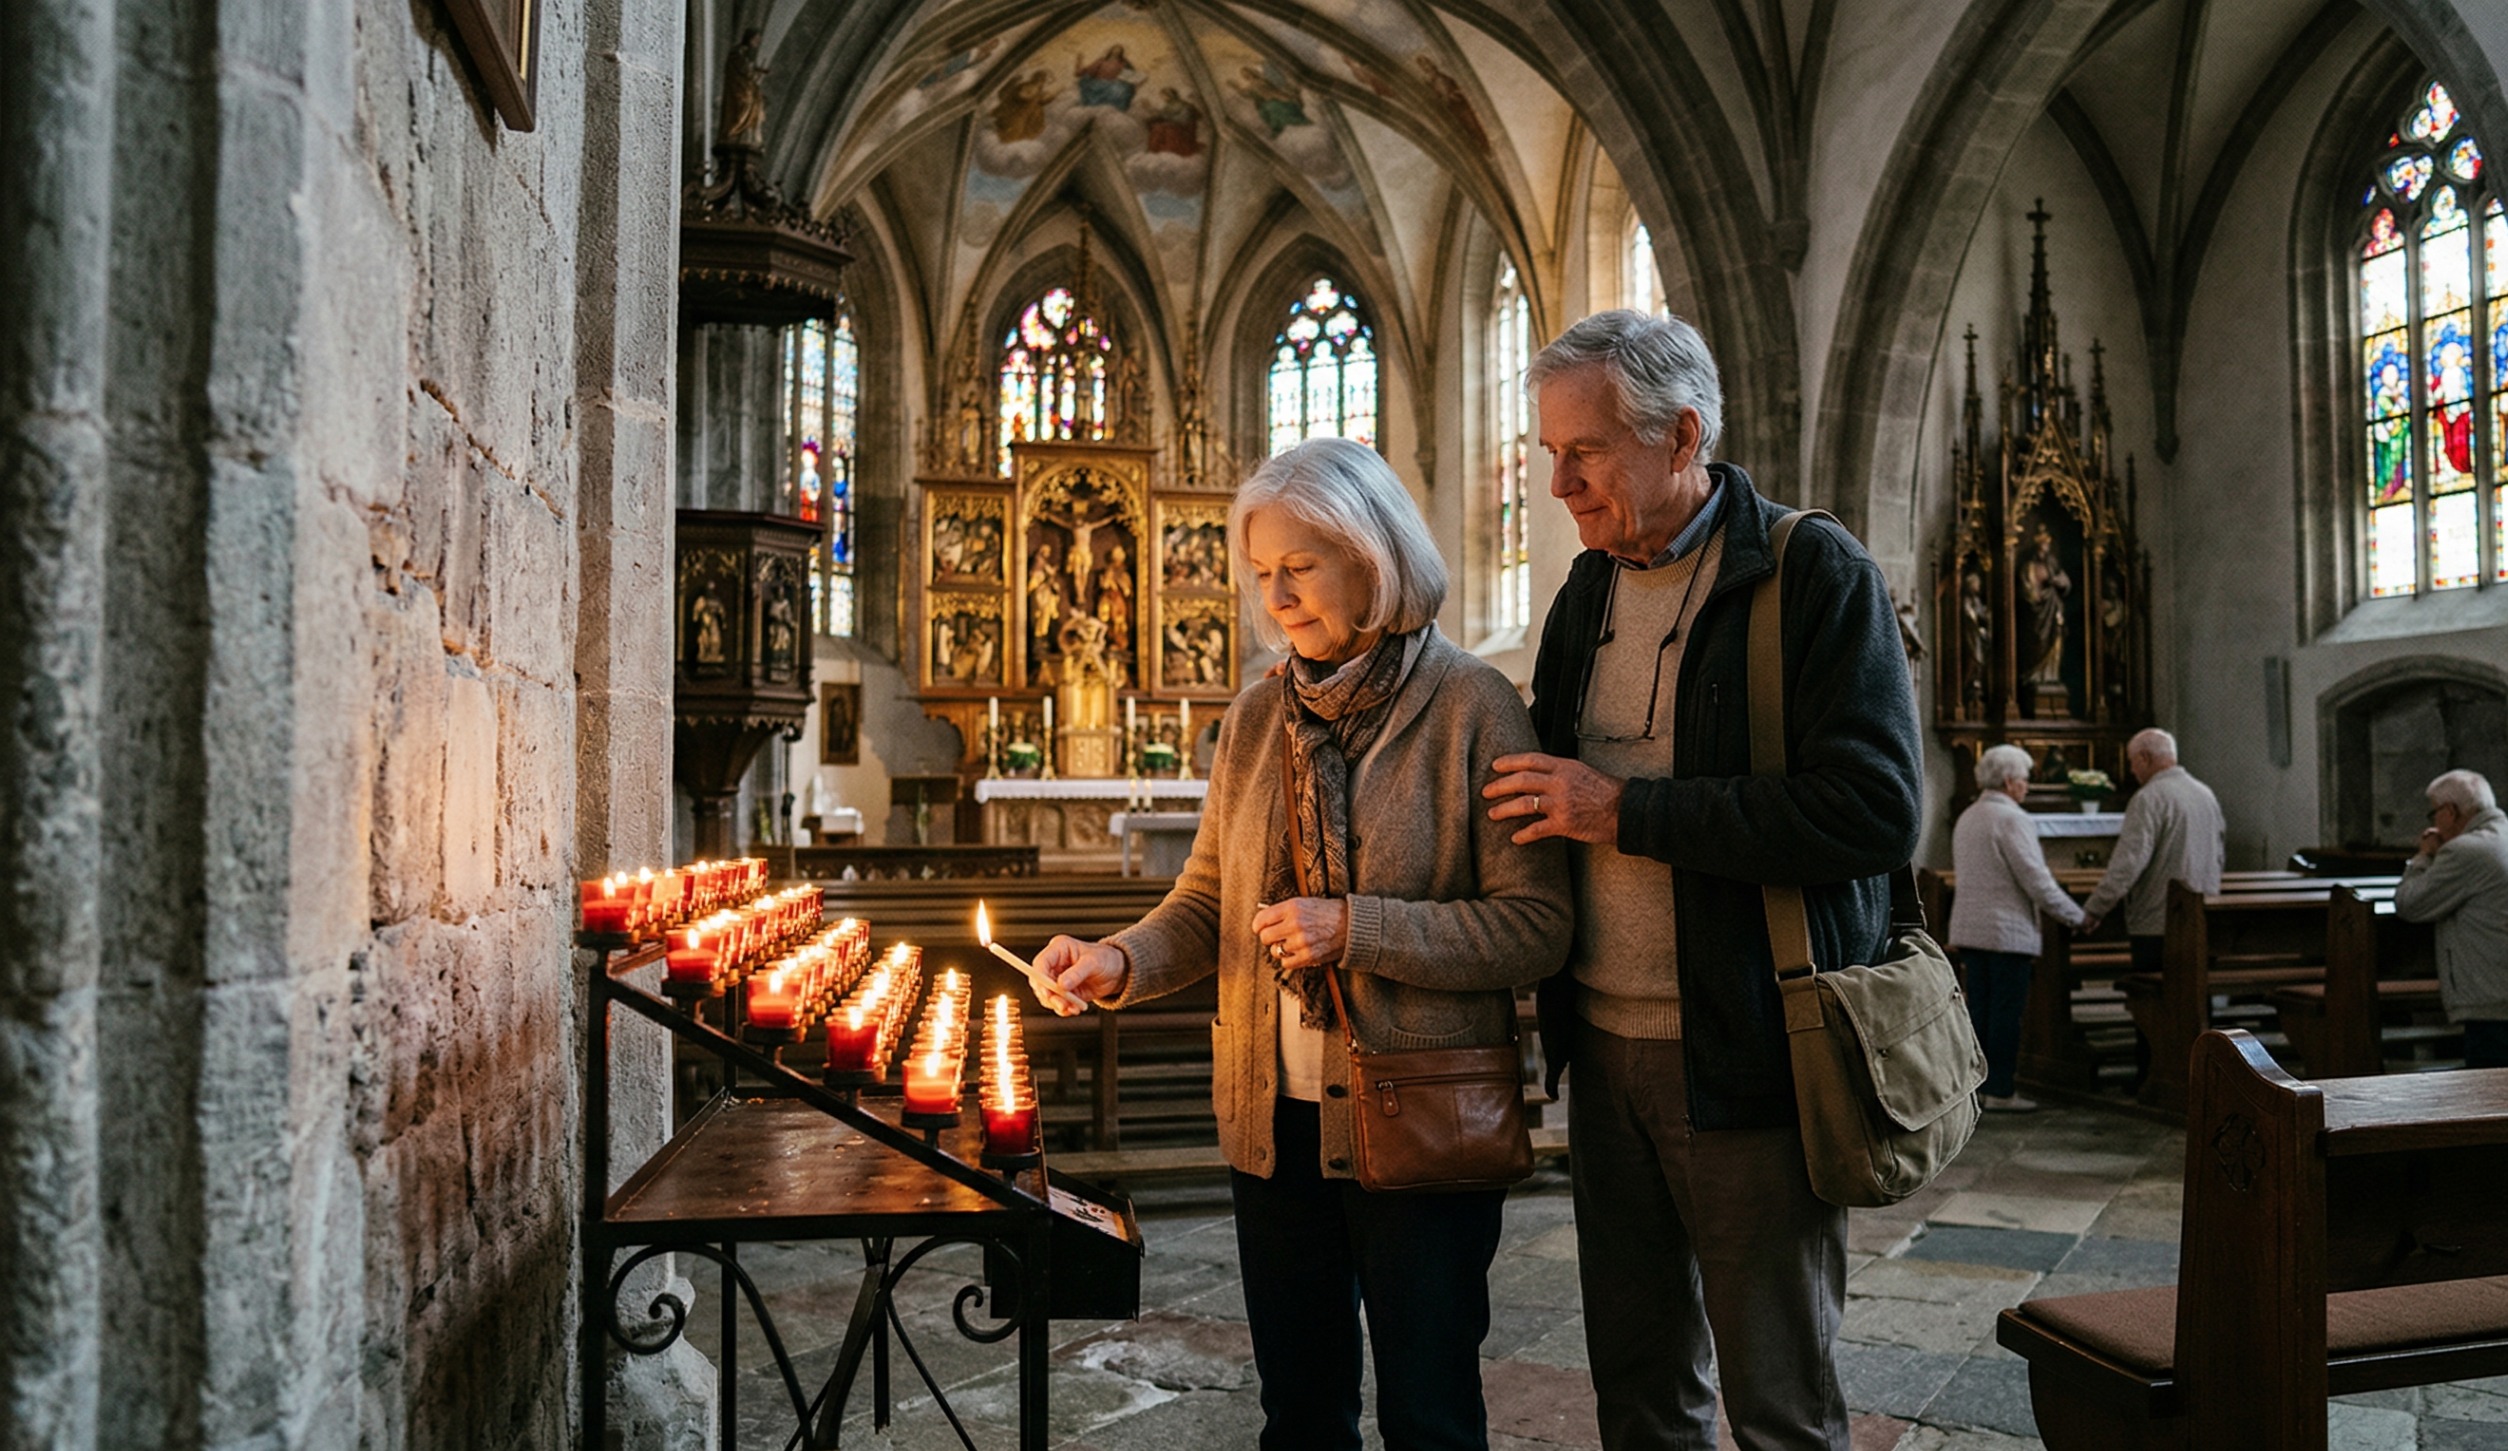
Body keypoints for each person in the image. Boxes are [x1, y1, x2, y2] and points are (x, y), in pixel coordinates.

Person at [1032, 437, 1571, 1451]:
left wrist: (1356, 926)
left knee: (1431, 1416)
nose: (1275, 596)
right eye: (1261, 571)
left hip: (1421, 1117)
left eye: (1300, 566)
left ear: (1372, 558)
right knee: (1300, 1415)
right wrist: (1121, 959)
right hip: (1271, 1120)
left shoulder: (1474, 707)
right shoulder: (1252, 717)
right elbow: (1208, 901)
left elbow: (1535, 927)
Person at [1479, 310, 1922, 1451]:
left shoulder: (1812, 570)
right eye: (1551, 455)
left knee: (1778, 1402)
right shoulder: (1585, 592)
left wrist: (1625, 810)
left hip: (1751, 1050)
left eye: (1586, 452)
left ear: (1681, 436)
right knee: (1638, 1389)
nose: (1561, 485)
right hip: (1602, 1050)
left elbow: (1875, 811)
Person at [1947, 745, 2085, 1113]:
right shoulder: (2011, 819)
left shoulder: (1968, 816)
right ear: (2009, 782)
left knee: (1980, 1010)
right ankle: (2001, 1090)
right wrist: (2076, 916)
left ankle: (1977, 1089)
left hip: (1972, 929)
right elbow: (2036, 880)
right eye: (2024, 780)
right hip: (2005, 931)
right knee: (2006, 1014)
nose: (2026, 786)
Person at [2076, 727, 2224, 967]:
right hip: (2203, 915)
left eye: (2132, 762)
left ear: (2145, 758)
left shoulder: (2149, 798)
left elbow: (2129, 863)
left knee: (2156, 987)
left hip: (2159, 920)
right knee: (2196, 985)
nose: (2132, 770)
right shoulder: (2205, 794)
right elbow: (2218, 855)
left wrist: (2094, 909)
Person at [2393, 770, 2508, 1068]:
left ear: (2450, 811)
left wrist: (2423, 856)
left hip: (2491, 1000)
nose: (2433, 822)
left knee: (2489, 1088)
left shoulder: (2464, 850)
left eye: (2434, 812)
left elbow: (2409, 903)